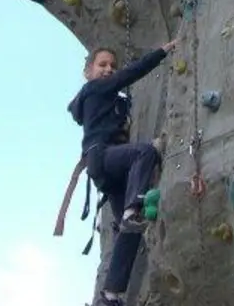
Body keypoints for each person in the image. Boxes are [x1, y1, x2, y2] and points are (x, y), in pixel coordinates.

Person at [64, 40, 177, 306]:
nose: (109, 70)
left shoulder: (105, 99)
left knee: (129, 233)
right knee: (145, 153)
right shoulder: (93, 89)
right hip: (102, 157)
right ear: (88, 72)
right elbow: (130, 75)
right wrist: (161, 51)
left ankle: (110, 294)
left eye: (112, 66)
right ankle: (132, 209)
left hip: (109, 174)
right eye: (102, 65)